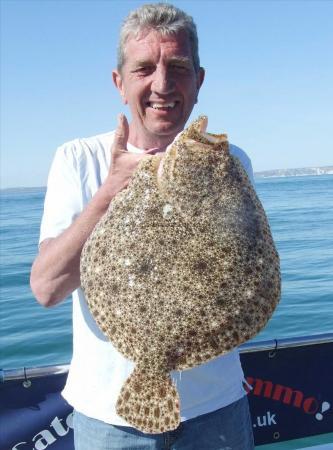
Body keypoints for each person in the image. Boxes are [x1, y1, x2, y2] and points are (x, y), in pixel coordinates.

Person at [30, 3, 255, 449]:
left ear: (199, 81)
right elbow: (46, 288)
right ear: (119, 82)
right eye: (144, 68)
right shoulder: (79, 160)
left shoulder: (228, 164)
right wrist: (108, 193)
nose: (162, 84)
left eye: (178, 67)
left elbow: (246, 274)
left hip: (217, 408)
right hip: (109, 419)